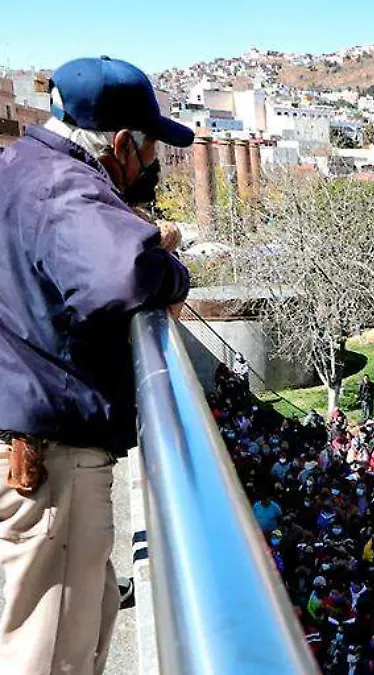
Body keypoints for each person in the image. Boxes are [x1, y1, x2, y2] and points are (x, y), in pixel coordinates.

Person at [0, 56, 193, 674]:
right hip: (47, 466)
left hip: (32, 447)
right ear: (120, 144)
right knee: (49, 650)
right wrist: (165, 259)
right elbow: (124, 273)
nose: (154, 163)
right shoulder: (63, 185)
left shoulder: (17, 167)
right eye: (150, 148)